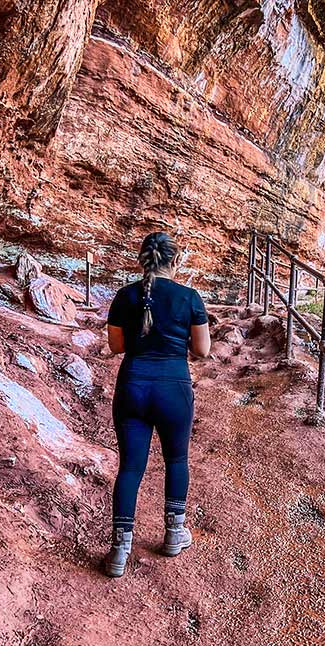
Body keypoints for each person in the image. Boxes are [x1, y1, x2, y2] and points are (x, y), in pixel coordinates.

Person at [103, 232, 211, 578]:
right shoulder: (189, 297)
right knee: (176, 459)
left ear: (142, 260)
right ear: (175, 262)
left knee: (130, 468)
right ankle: (174, 534)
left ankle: (120, 549)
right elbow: (202, 351)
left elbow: (117, 347)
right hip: (173, 389)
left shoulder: (125, 296)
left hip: (133, 385)